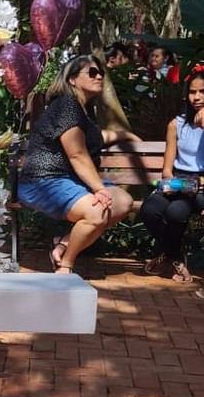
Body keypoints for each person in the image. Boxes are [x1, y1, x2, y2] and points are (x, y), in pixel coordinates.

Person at [17, 54, 137, 274]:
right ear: (72, 79)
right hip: (43, 181)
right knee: (96, 213)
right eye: (91, 72)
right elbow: (77, 154)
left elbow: (97, 137)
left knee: (123, 201)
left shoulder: (84, 110)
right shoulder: (66, 106)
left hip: (69, 181)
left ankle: (62, 243)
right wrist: (99, 189)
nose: (99, 75)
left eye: (100, 72)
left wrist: (125, 135)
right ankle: (66, 265)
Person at [137, 69, 204, 283]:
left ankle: (169, 255)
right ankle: (175, 255)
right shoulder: (176, 124)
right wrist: (176, 184)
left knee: (176, 213)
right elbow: (167, 168)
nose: (197, 97)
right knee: (150, 209)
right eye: (193, 92)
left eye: (203, 92)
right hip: (177, 180)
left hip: (202, 184)